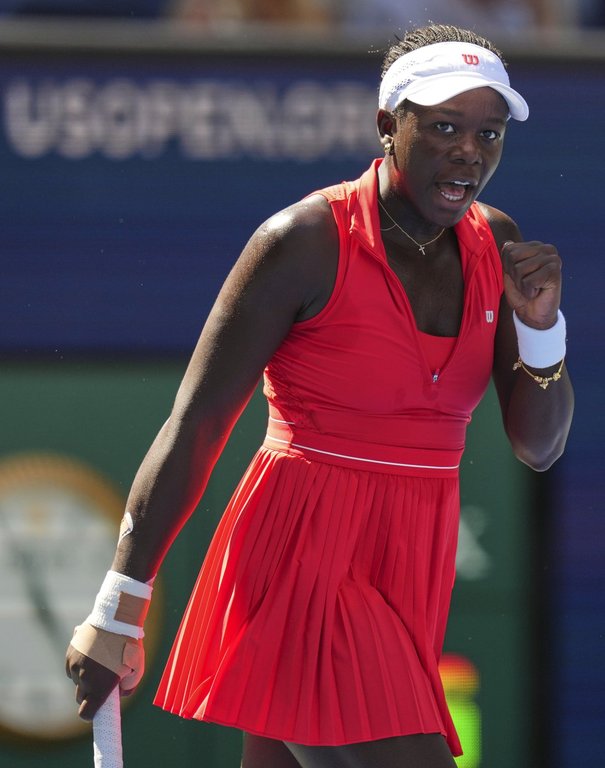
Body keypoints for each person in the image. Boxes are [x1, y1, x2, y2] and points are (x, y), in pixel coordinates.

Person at [65, 23, 574, 768]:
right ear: (384, 127)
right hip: (299, 562)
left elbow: (538, 444)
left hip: (407, 575)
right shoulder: (301, 239)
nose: (469, 150)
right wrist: (120, 605)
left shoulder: (497, 244)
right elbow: (195, 425)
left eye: (487, 133)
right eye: (442, 127)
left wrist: (542, 330)